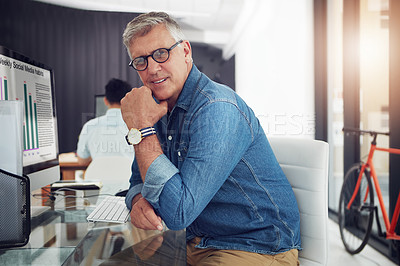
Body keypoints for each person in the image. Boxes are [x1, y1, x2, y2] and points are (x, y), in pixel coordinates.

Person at [120, 12, 301, 265]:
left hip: (254, 245)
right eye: (140, 61)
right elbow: (137, 181)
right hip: (193, 239)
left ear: (185, 51)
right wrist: (138, 200)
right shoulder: (157, 108)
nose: (152, 68)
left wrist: (141, 128)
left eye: (161, 53)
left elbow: (178, 212)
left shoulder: (217, 107)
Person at [77, 78, 134, 165]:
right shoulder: (137, 126)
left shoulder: (89, 126)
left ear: (105, 100)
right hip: (128, 178)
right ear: (128, 101)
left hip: (98, 178)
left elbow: (82, 161)